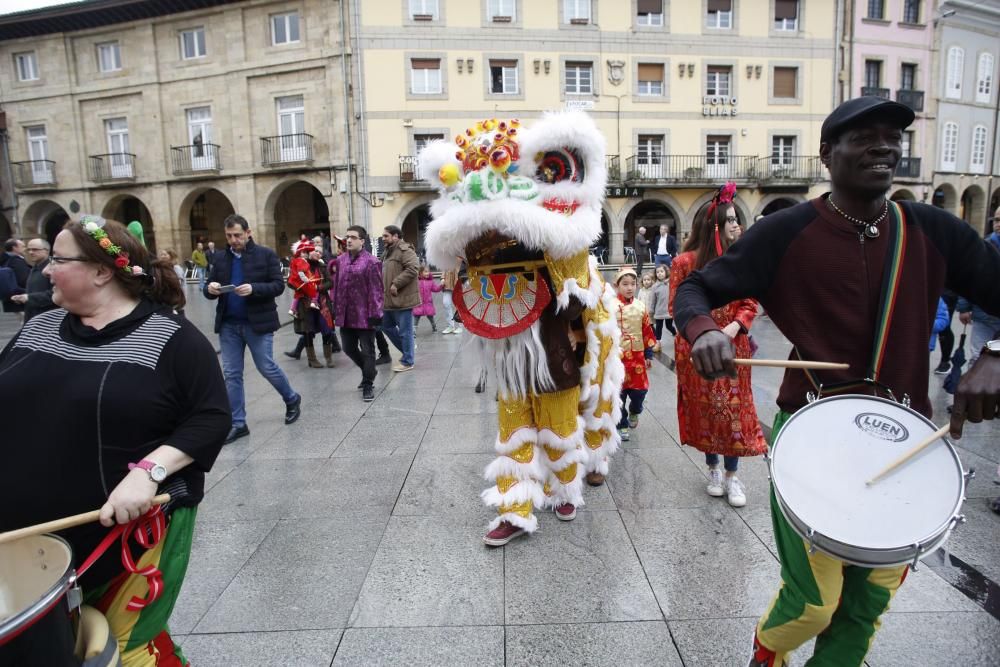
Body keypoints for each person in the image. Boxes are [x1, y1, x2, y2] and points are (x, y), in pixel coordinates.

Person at [672, 96, 1000, 667]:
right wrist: (703, 331)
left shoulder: (933, 229)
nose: (884, 147)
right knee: (813, 605)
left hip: (907, 441)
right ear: (828, 154)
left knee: (863, 609)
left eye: (893, 138)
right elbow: (694, 289)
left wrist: (995, 351)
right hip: (810, 434)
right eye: (864, 136)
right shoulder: (786, 231)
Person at [0, 215, 229, 665]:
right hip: (26, 541)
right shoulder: (40, 326)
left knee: (122, 649)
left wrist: (149, 471)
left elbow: (211, 418)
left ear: (102, 271)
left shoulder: (172, 338)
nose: (46, 269)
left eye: (58, 259)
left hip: (123, 539)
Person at [420, 111, 624, 547]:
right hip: (507, 357)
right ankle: (515, 509)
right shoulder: (476, 246)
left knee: (559, 424)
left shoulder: (562, 252)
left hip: (556, 353)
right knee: (513, 432)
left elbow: (576, 305)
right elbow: (468, 291)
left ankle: (564, 489)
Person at [670, 182, 767, 509]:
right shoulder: (684, 262)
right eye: (729, 220)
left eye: (737, 218)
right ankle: (713, 469)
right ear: (714, 225)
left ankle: (732, 475)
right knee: (707, 412)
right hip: (696, 349)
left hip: (734, 347)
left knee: (734, 413)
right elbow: (676, 306)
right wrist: (705, 331)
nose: (736, 225)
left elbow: (751, 300)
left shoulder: (741, 260)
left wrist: (735, 325)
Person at [204, 214, 301, 444]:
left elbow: (278, 285)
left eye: (237, 235)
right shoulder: (220, 257)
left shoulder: (265, 254)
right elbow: (208, 288)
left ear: (248, 232)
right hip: (229, 324)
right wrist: (212, 288)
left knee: (266, 365)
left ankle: (291, 398)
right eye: (229, 236)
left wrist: (254, 288)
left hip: (257, 322)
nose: (233, 240)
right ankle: (238, 423)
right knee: (231, 374)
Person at [330, 225, 384, 402]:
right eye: (347, 237)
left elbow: (376, 290)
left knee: (368, 351)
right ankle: (370, 370)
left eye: (353, 237)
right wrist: (334, 307)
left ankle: (368, 383)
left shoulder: (372, 262)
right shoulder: (341, 261)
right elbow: (336, 286)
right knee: (348, 348)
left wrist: (375, 314)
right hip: (345, 314)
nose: (349, 240)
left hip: (365, 314)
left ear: (362, 241)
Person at [611, 268, 657, 448]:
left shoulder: (640, 306)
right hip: (618, 358)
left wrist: (649, 354)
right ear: (617, 286)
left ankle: (635, 410)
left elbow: (647, 330)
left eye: (632, 284)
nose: (629, 288)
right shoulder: (610, 306)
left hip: (637, 357)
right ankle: (621, 424)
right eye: (625, 284)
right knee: (619, 393)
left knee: (640, 391)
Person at [286, 240, 335, 369]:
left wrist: (319, 288)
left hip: (322, 302)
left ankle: (328, 357)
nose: (317, 254)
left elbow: (330, 283)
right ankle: (312, 359)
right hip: (305, 303)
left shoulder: (322, 266)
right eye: (315, 251)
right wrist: (300, 286)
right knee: (308, 331)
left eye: (320, 252)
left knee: (327, 330)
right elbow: (290, 282)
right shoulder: (300, 264)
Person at [380, 225, 420, 372]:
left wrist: (396, 283)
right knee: (385, 325)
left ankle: (408, 361)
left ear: (395, 236)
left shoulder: (405, 250)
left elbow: (413, 268)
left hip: (402, 299)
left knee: (405, 331)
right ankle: (407, 350)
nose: (383, 238)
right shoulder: (387, 252)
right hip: (388, 299)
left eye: (386, 236)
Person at [8, 237, 55, 321]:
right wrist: (22, 297)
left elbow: (56, 294)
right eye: (28, 249)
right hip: (32, 317)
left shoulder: (52, 268)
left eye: (35, 249)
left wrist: (29, 298)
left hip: (47, 319)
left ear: (46, 250)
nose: (30, 252)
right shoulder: (35, 267)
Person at [1, 237, 30, 312]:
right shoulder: (16, 261)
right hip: (20, 299)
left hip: (10, 300)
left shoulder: (6, 260)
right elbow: (24, 280)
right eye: (23, 246)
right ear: (15, 248)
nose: (25, 249)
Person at [650, 263, 675, 347]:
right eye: (657, 272)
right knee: (659, 327)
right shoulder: (654, 287)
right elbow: (653, 300)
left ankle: (674, 333)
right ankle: (658, 342)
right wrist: (651, 311)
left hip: (669, 310)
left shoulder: (671, 284)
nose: (659, 273)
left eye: (661, 271)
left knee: (669, 326)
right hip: (659, 311)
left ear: (666, 272)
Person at [413, 264, 442, 333]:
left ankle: (434, 327)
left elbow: (436, 289)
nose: (428, 273)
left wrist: (441, 285)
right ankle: (413, 332)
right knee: (416, 317)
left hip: (428, 303)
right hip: (418, 303)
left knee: (430, 317)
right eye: (425, 271)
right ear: (420, 273)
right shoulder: (416, 282)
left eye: (428, 271)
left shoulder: (430, 282)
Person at [440, 267, 461, 334]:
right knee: (446, 303)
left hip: (458, 280)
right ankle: (450, 326)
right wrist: (442, 277)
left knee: (460, 305)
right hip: (448, 282)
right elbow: (444, 265)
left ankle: (461, 326)